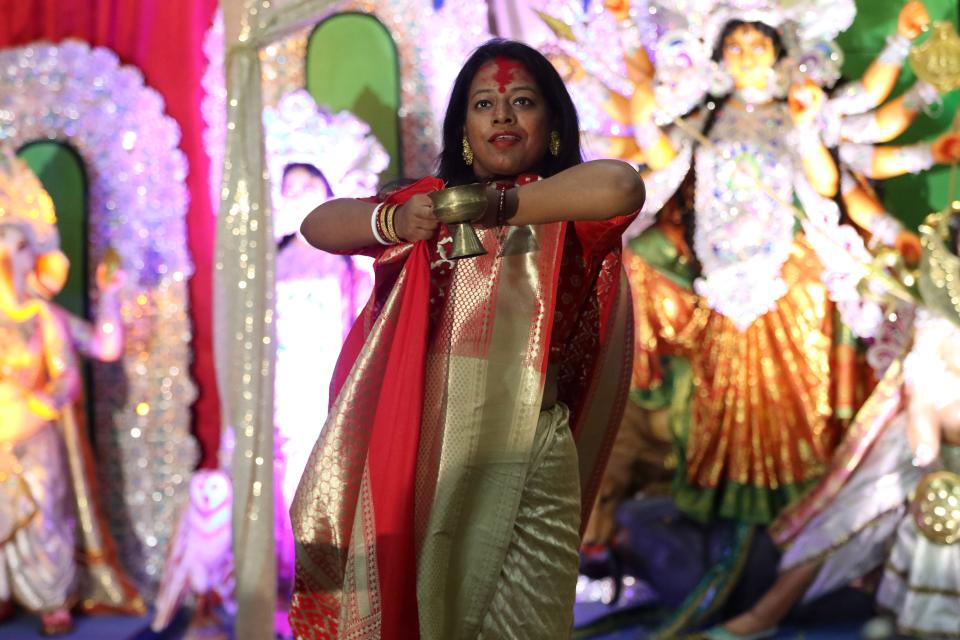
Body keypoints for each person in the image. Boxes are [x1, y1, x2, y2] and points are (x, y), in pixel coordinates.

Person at [288, 39, 646, 639]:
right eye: (484, 104)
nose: (502, 115)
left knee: (534, 621)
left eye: (522, 101)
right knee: (431, 614)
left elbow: (622, 186)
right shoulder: (429, 207)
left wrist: (495, 206)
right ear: (463, 129)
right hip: (432, 441)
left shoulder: (565, 208)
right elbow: (318, 224)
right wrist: (395, 221)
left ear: (552, 122)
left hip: (530, 447)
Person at [707, 208, 960, 640]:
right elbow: (921, 401)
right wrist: (926, 455)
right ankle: (766, 615)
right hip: (919, 452)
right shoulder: (939, 322)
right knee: (849, 521)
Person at [0, 150, 141, 635]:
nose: (6, 258)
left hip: (36, 430)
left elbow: (102, 348)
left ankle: (49, 597)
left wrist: (109, 296)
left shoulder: (44, 318)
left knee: (45, 510)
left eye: (16, 247)